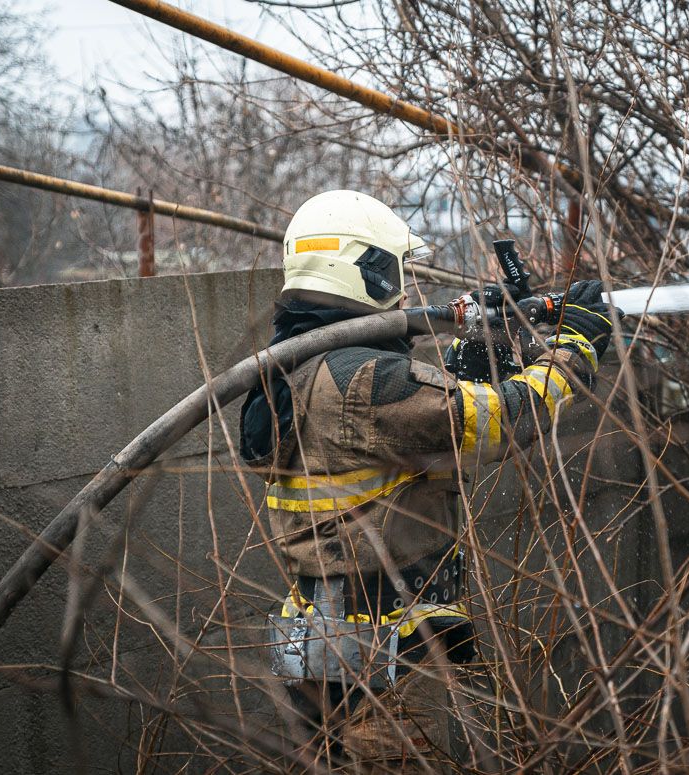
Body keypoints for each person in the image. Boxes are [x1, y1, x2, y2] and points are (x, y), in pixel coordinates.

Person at [238, 190, 618, 772]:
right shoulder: (363, 378)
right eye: (394, 271)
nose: (406, 291)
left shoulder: (292, 371)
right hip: (387, 661)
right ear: (364, 270)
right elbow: (496, 419)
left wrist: (480, 343)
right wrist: (576, 347)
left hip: (318, 646)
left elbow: (421, 428)